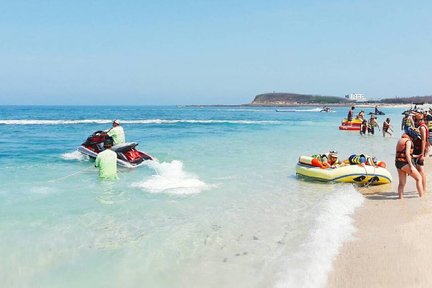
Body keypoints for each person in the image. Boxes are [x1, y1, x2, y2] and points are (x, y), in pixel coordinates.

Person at [395, 133, 423, 199]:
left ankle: (400, 199)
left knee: (402, 183)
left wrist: (417, 156)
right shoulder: (408, 141)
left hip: (398, 163)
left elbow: (404, 154)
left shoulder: (400, 140)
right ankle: (421, 197)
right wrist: (411, 166)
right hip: (405, 163)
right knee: (419, 178)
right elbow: (407, 154)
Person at [412, 112, 429, 194]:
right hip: (418, 149)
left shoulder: (422, 127)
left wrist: (422, 154)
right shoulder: (421, 127)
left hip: (420, 150)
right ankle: (422, 188)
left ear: (418, 120)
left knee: (420, 170)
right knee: (419, 169)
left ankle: (424, 189)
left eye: (415, 119)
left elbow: (423, 141)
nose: (414, 121)